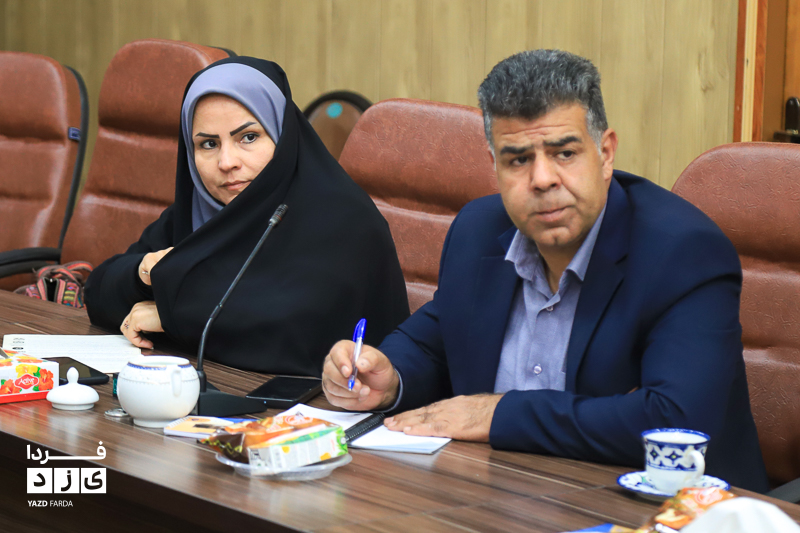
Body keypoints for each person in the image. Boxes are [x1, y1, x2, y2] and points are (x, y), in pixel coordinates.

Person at [321, 50, 769, 492]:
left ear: (605, 153)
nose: (542, 179)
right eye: (518, 159)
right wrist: (390, 377)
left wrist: (499, 414)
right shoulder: (479, 231)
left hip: (666, 509)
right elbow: (437, 339)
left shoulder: (682, 251)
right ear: (494, 166)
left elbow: (676, 421)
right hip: (491, 494)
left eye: (565, 153)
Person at [85, 57, 409, 376]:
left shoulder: (346, 220)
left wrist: (175, 317)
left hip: (326, 403)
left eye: (248, 137)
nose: (227, 162)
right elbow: (98, 293)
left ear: (282, 135)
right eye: (208, 144)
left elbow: (299, 336)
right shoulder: (203, 211)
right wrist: (143, 273)